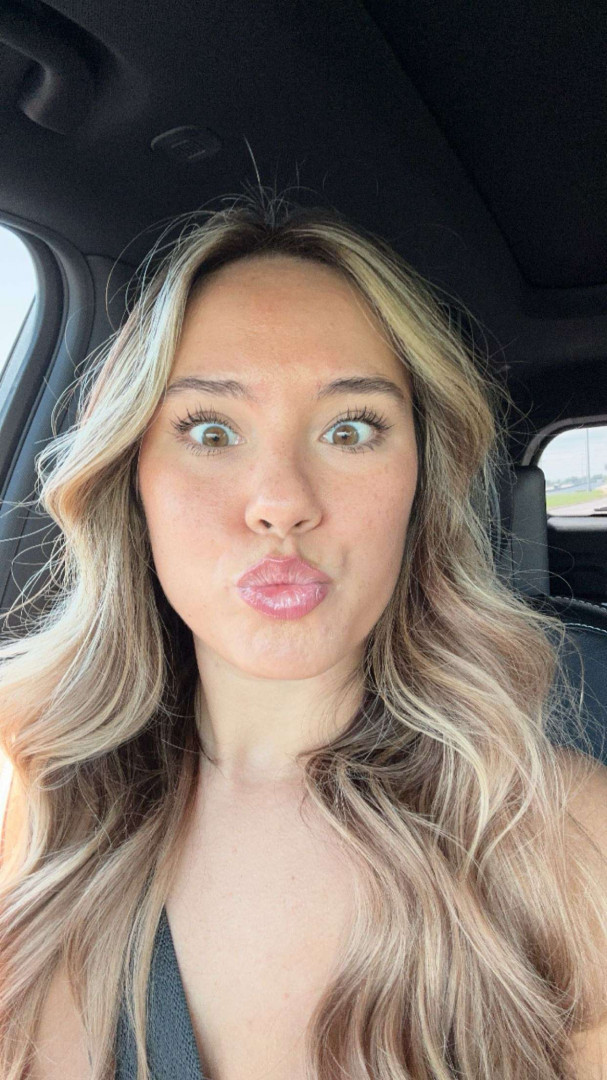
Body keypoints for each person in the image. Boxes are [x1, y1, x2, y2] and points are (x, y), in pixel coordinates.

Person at [0, 186, 605, 1080]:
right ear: (132, 478)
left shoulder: (560, 836)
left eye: (350, 429)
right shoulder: (26, 781)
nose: (281, 502)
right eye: (211, 430)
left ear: (420, 484)